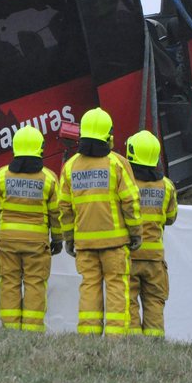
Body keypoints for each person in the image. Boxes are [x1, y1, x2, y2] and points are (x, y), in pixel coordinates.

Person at [58, 107, 141, 336]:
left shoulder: (71, 166)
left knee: (89, 287)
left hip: (85, 244)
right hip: (115, 244)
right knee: (116, 286)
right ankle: (115, 337)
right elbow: (131, 202)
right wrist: (136, 232)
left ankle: (88, 335)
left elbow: (64, 207)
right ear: (109, 134)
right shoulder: (118, 164)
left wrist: (69, 238)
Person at [0, 126, 62, 332]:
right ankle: (32, 330)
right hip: (37, 244)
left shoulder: (1, 176)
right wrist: (58, 239)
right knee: (35, 283)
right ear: (41, 148)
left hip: (7, 241)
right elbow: (57, 214)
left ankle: (10, 329)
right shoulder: (49, 178)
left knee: (9, 281)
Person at [124, 129, 177, 338]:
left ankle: (135, 344)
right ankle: (155, 343)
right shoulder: (167, 186)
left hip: (130, 255)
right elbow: (171, 217)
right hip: (155, 259)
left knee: (128, 299)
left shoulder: (126, 184)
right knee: (154, 300)